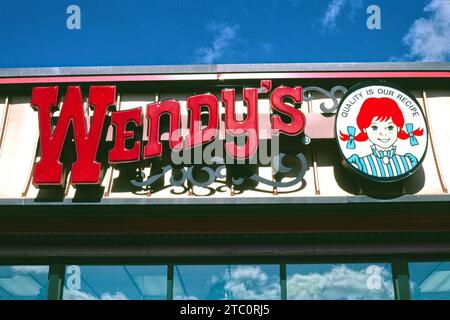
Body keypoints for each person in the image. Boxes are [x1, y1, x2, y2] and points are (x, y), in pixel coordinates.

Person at [339, 97, 423, 178]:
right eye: (374, 127)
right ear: (364, 129)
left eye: (390, 127)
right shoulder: (360, 163)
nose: (383, 133)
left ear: (398, 128)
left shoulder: (408, 161)